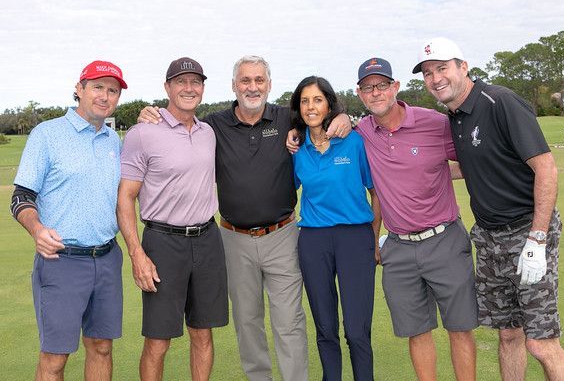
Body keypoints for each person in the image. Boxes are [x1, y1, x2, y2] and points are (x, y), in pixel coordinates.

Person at [137, 55, 352, 381]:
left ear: (269, 84)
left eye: (259, 80)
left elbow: (323, 113)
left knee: (289, 321)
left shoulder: (287, 118)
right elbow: (179, 121)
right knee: (247, 322)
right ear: (234, 86)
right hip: (233, 239)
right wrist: (150, 112)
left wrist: (345, 116)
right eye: (245, 80)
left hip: (282, 235)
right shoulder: (212, 126)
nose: (253, 87)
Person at [413, 37, 564, 380]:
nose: (435, 78)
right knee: (509, 335)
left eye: (442, 68)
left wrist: (538, 239)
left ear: (463, 67)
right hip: (488, 239)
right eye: (428, 73)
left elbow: (546, 168)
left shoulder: (500, 102)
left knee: (541, 343)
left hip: (527, 232)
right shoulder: (455, 117)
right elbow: (473, 164)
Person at [354, 58, 478, 381]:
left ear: (395, 87)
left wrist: (439, 171)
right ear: (360, 94)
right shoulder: (361, 132)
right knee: (417, 331)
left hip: (445, 240)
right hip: (398, 248)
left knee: (460, 327)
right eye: (368, 87)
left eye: (382, 85)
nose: (376, 92)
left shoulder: (434, 123)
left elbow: (472, 160)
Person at [11, 60, 127, 381]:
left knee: (101, 347)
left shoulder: (113, 141)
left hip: (107, 258)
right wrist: (36, 229)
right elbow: (21, 197)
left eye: (112, 90)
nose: (105, 96)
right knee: (55, 358)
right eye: (97, 87)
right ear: (79, 89)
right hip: (61, 260)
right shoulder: (47, 134)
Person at [117, 57, 228, 381]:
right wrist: (136, 254)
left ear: (203, 89)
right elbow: (125, 197)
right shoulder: (142, 133)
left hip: (207, 240)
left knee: (203, 334)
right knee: (158, 341)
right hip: (163, 243)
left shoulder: (208, 132)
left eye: (196, 82)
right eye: (181, 81)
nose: (189, 88)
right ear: (167, 87)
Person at [290, 76, 378, 381]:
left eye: (317, 100)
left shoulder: (353, 142)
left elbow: (375, 193)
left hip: (355, 239)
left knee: (356, 330)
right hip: (313, 241)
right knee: (325, 328)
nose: (311, 107)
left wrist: (374, 238)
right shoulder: (296, 148)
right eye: (304, 101)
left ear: (329, 104)